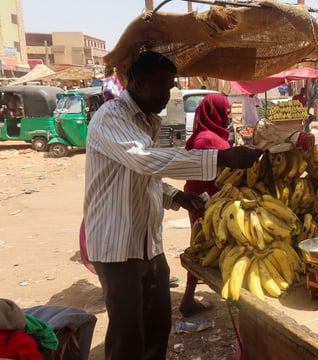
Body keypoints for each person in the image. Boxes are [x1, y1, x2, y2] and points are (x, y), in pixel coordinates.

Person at [83, 51, 261, 360]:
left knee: (158, 327)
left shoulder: (151, 121)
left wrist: (175, 196)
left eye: (172, 85)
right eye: (163, 85)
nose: (170, 94)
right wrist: (221, 158)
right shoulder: (112, 116)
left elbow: (144, 177)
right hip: (116, 246)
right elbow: (143, 160)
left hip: (149, 243)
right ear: (138, 83)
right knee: (127, 336)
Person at [179, 93, 232, 317]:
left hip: (202, 197)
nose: (228, 117)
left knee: (202, 245)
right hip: (206, 201)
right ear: (214, 113)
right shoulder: (208, 139)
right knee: (205, 246)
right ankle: (189, 298)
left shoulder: (203, 134)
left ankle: (189, 297)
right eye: (226, 112)